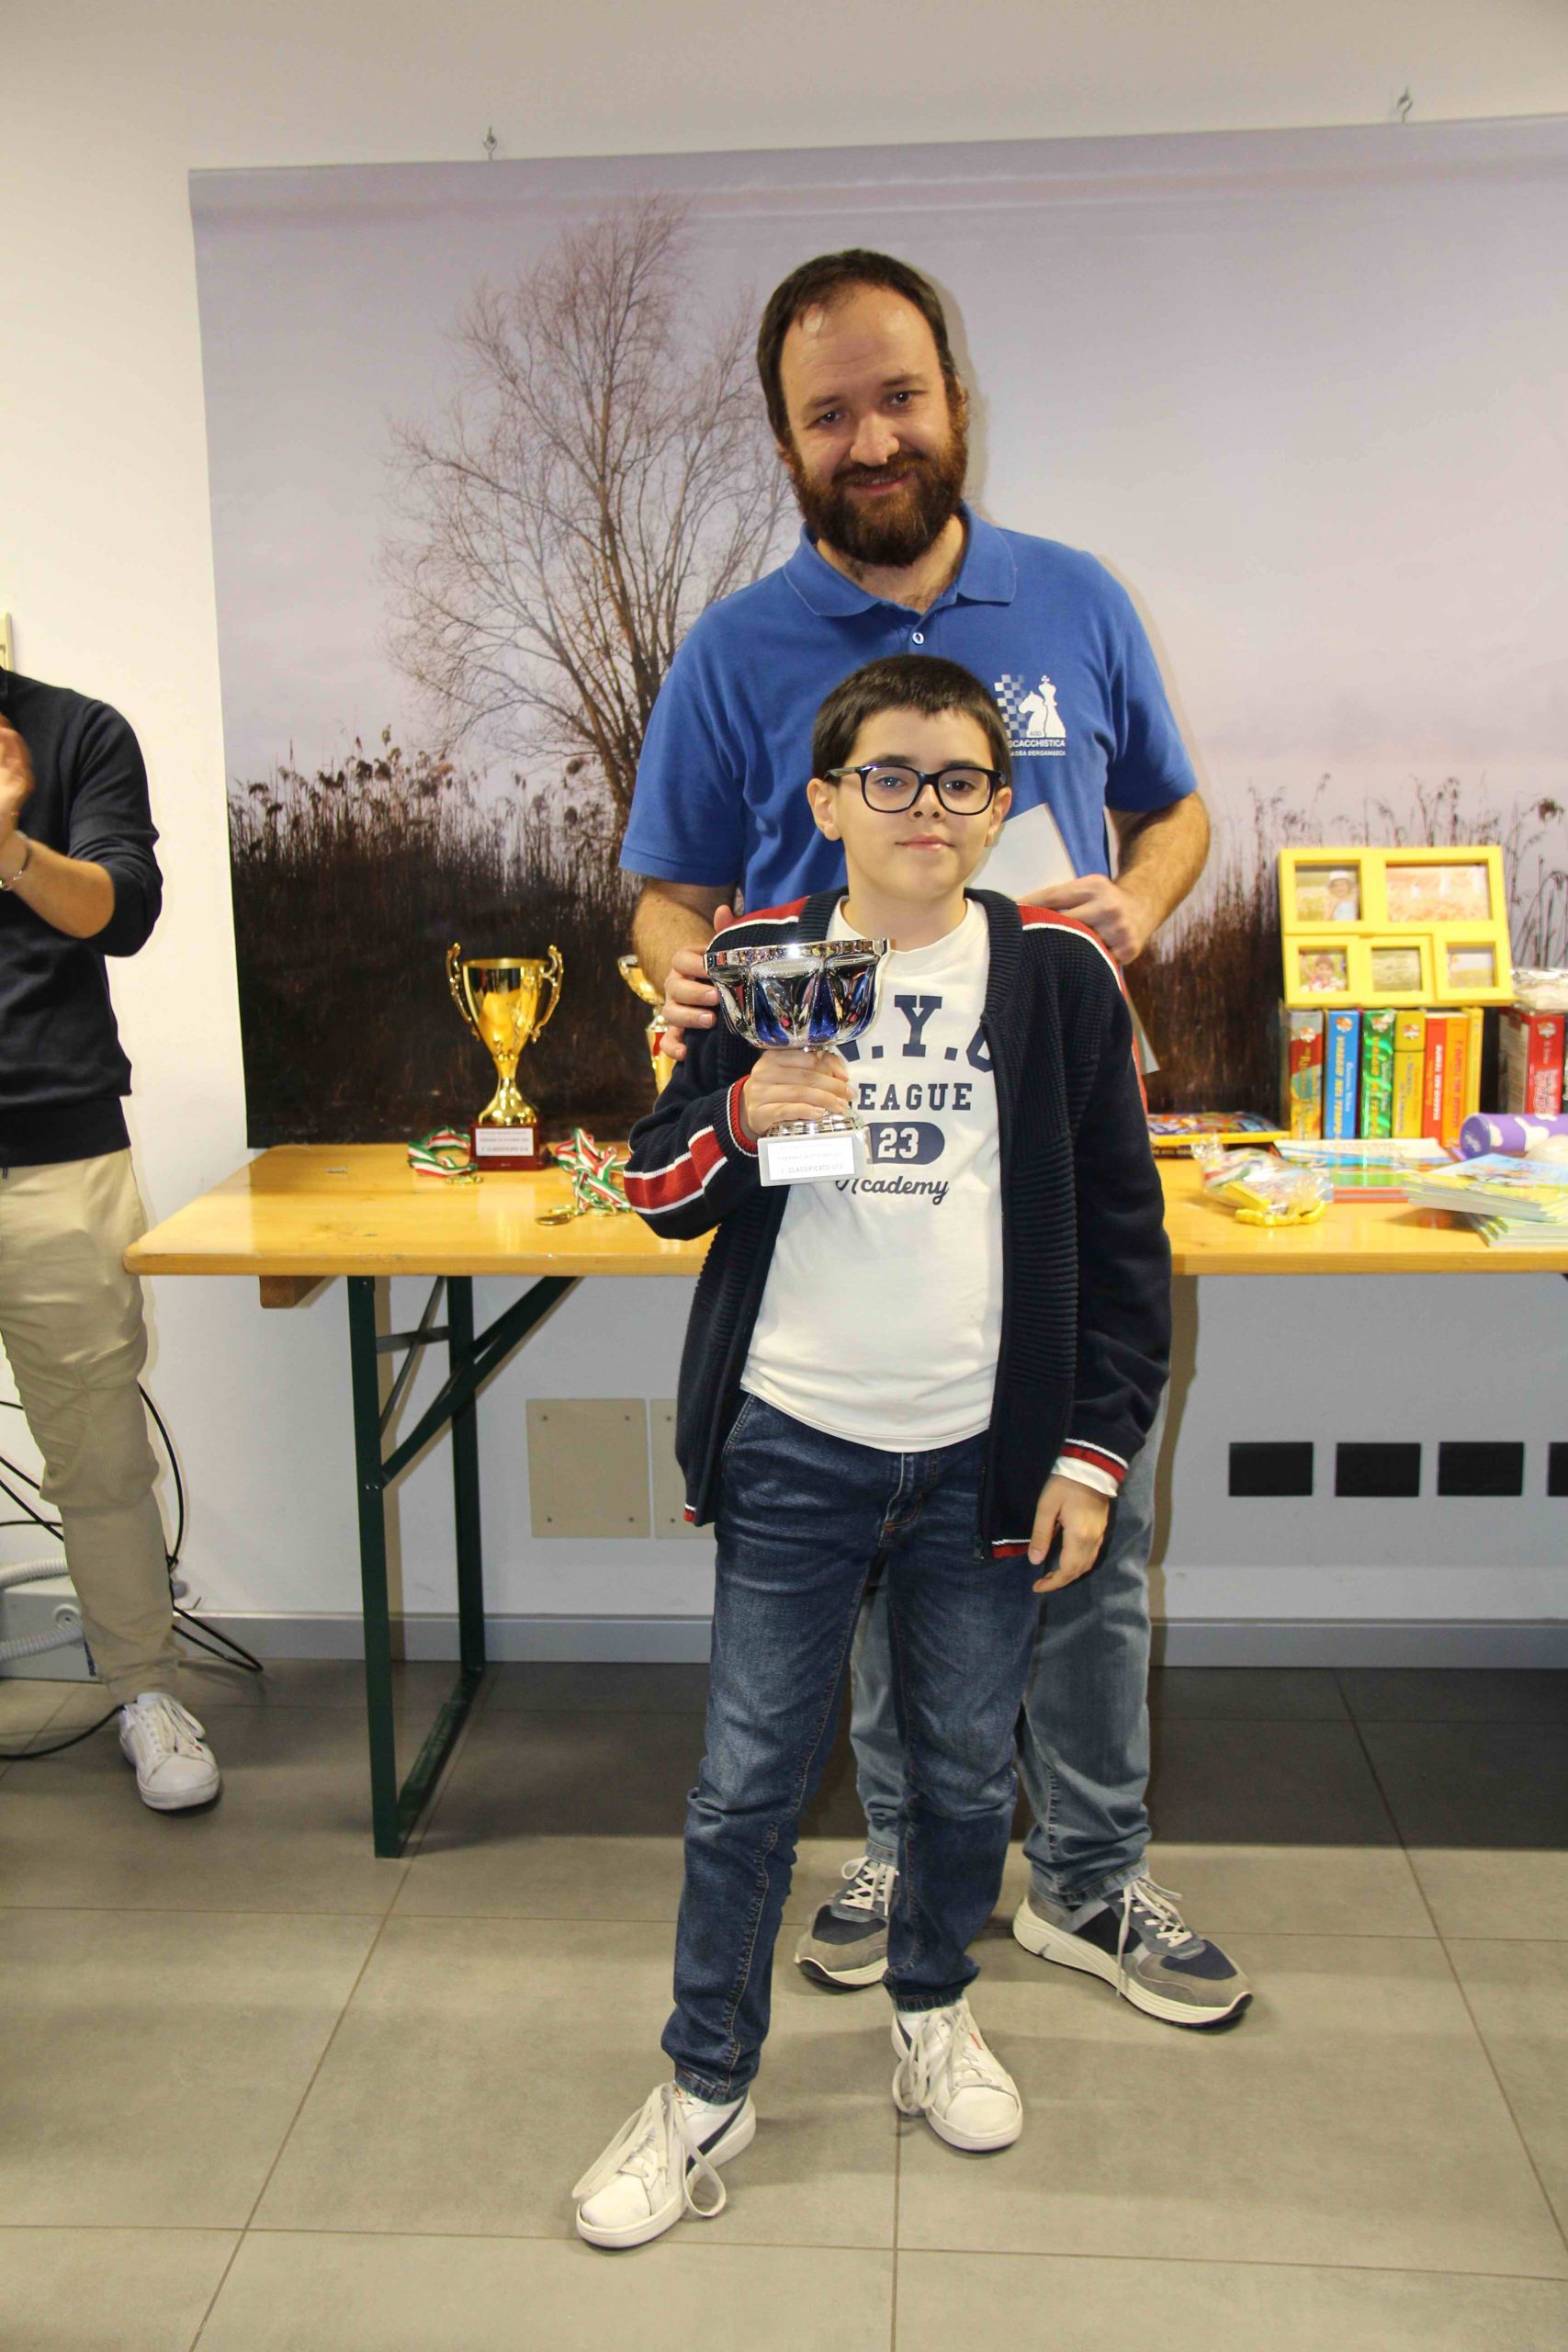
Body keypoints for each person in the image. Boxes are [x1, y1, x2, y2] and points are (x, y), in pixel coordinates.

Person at [622, 248, 1247, 2027]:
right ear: (786, 443)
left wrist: (1136, 904)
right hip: (831, 1146)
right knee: (892, 1507)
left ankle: (1094, 1875)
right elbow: (668, 892)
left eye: (896, 395)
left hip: (1039, 1121)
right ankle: (908, 1853)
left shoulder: (1074, 598)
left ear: (953, 399)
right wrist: (698, 996)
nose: (871, 436)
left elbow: (1175, 811)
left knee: (1078, 1524)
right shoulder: (734, 651)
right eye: (828, 414)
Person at [573, 655, 1169, 2247]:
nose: (927, 808)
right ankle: (704, 2084)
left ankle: (930, 2009)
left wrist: (1090, 1456)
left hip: (985, 1454)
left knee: (965, 1777)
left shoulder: (1054, 975)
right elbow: (655, 1189)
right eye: (890, 777)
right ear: (827, 800)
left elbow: (1124, 1242)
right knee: (743, 1789)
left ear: (999, 805)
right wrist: (742, 1120)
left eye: (962, 781)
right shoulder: (757, 962)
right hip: (795, 1442)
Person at [0, 669, 220, 1810]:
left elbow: (123, 912)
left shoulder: (75, 731)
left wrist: (8, 847)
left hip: (53, 1148)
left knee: (98, 1453)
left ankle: (144, 1689)